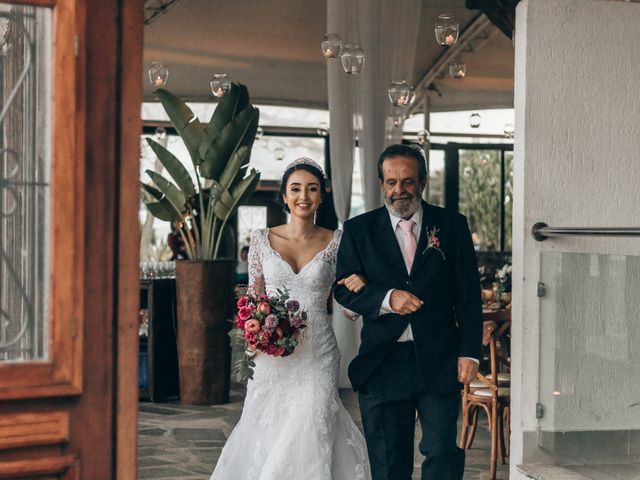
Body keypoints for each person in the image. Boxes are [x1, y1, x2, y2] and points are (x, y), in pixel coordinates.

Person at [210, 158, 371, 480]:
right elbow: (253, 299)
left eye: (312, 189)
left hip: (318, 353)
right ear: (283, 195)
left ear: (321, 197)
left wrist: (360, 293)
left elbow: (348, 304)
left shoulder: (338, 240)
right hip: (271, 356)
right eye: (295, 188)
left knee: (312, 420)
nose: (303, 196)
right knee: (268, 425)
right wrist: (255, 332)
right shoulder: (261, 239)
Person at [333, 144, 482, 480]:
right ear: (381, 184)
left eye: (407, 181)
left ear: (423, 182)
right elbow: (342, 289)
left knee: (443, 453)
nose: (399, 190)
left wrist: (470, 353)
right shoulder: (358, 230)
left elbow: (469, 296)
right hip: (383, 361)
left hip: (440, 358)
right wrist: (386, 298)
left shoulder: (451, 225)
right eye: (391, 182)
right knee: (388, 463)